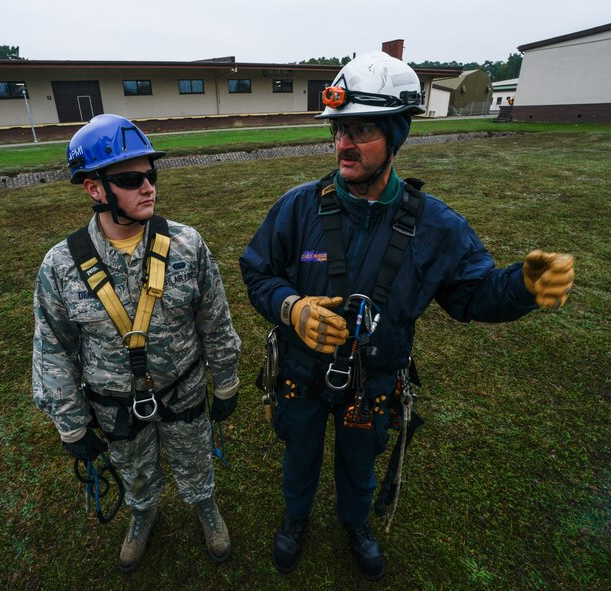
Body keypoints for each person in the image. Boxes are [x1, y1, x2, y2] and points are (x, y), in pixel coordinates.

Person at [239, 51, 574, 581]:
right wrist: (292, 307)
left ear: (396, 136)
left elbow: (475, 294)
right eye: (339, 129)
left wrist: (524, 287)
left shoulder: (435, 225)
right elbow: (258, 271)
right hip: (300, 378)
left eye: (363, 130)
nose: (344, 144)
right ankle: (295, 518)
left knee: (359, 462)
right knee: (298, 457)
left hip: (372, 382)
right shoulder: (298, 207)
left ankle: (355, 522)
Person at [32, 114, 241, 573]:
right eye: (130, 179)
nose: (148, 187)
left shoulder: (186, 244)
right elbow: (54, 351)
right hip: (115, 406)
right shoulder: (61, 266)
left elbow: (215, 321)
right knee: (136, 471)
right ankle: (142, 514)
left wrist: (225, 382)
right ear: (94, 189)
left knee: (195, 461)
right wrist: (71, 425)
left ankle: (205, 507)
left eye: (151, 174)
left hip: (183, 390)